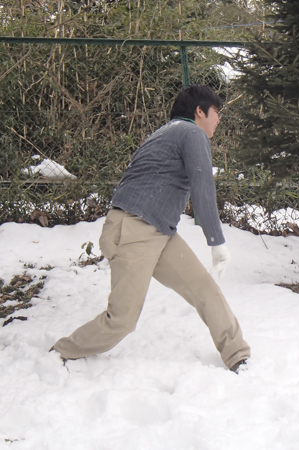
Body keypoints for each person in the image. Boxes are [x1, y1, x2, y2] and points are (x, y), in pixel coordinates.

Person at [51, 85, 250, 373]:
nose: (219, 120)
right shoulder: (191, 133)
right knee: (122, 319)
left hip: (156, 231)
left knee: (204, 289)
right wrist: (216, 241)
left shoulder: (165, 132)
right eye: (216, 113)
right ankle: (61, 352)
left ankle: (237, 355)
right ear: (199, 111)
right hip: (134, 230)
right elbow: (202, 187)